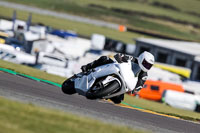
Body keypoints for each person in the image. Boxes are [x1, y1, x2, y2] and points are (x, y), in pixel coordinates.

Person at [81, 51, 155, 104]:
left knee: (118, 100)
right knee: (104, 59)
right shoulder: (133, 59)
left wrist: (135, 90)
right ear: (141, 59)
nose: (146, 66)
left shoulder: (144, 75)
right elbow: (120, 55)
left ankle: (106, 93)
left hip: (125, 82)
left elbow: (140, 84)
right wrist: (120, 57)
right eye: (146, 63)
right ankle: (88, 67)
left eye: (149, 65)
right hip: (117, 70)